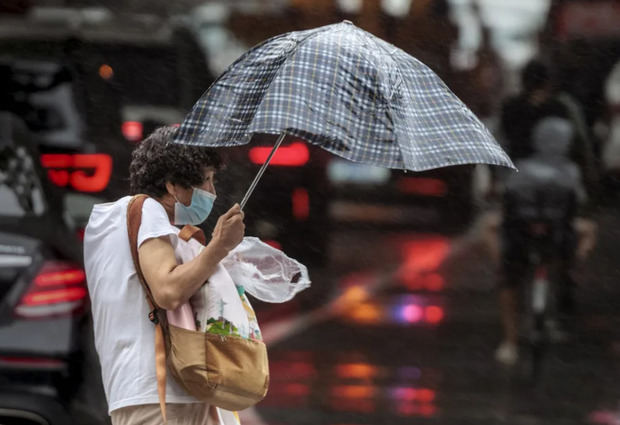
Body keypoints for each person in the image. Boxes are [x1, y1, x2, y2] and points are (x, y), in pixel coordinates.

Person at [83, 126, 245, 424]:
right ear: (172, 185)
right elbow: (168, 290)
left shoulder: (120, 223)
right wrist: (219, 247)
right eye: (206, 181)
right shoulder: (147, 210)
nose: (213, 192)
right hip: (162, 394)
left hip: (154, 392)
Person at [495, 117, 590, 366]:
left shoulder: (522, 168)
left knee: (509, 280)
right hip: (558, 236)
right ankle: (569, 269)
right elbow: (578, 201)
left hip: (519, 236)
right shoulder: (571, 170)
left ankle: (510, 341)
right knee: (589, 232)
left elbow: (507, 197)